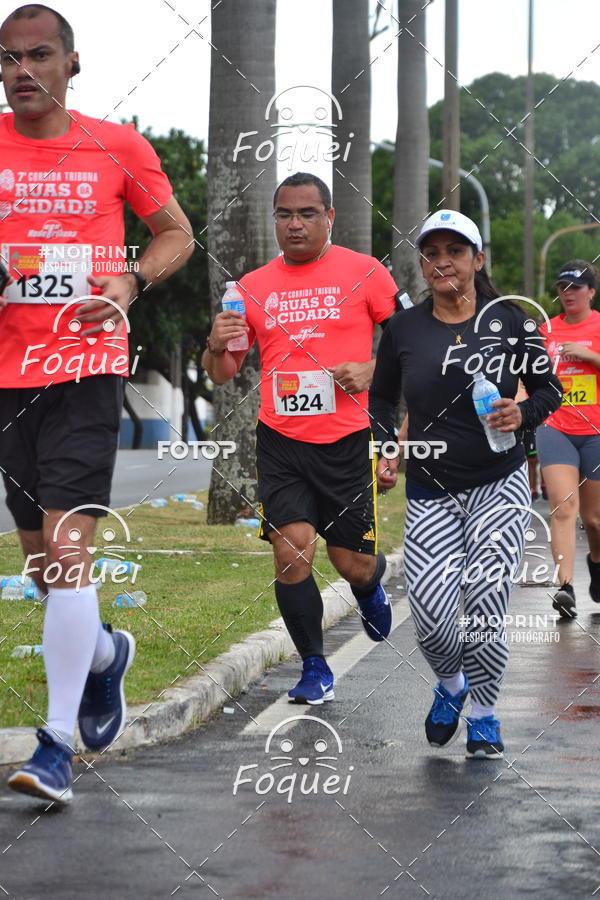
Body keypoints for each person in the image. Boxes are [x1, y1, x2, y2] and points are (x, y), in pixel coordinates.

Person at [0, 4, 193, 802]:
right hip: (9, 377)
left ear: (72, 64)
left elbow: (176, 233)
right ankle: (109, 654)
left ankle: (55, 745)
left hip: (87, 366)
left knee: (67, 543)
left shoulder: (118, 146)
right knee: (43, 568)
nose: (22, 72)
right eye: (9, 59)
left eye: (39, 55)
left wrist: (132, 280)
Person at [370, 210, 562, 758]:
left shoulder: (512, 322)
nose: (443, 262)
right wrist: (387, 445)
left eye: (455, 251)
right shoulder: (404, 329)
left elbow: (548, 390)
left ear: (478, 260)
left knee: (485, 604)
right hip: (431, 492)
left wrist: (522, 414)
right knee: (431, 615)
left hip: (499, 485)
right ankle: (451, 685)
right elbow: (381, 397)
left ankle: (483, 713)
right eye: (432, 253)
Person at [202, 171, 398, 706]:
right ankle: (315, 667)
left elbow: (409, 341)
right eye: (285, 214)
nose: (295, 224)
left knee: (349, 561)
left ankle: (370, 583)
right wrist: (215, 345)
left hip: (348, 439)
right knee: (292, 553)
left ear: (329, 217)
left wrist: (372, 367)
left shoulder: (366, 272)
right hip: (281, 440)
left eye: (307, 213)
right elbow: (222, 373)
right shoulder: (250, 288)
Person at [536, 260, 600, 619]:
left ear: (591, 292)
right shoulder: (546, 331)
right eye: (563, 287)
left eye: (576, 287)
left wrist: (590, 356)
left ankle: (597, 563)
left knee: (595, 520)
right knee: (563, 507)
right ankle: (566, 588)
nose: (568, 293)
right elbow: (529, 375)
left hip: (596, 432)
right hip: (555, 427)